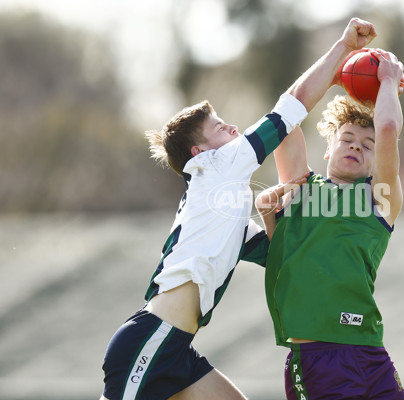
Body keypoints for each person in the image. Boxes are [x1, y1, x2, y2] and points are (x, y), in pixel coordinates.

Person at [99, 17, 379, 400]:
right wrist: (342, 51)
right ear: (200, 152)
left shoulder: (221, 203)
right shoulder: (217, 166)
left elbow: (279, 254)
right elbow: (290, 107)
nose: (232, 129)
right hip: (152, 339)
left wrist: (276, 214)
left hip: (177, 349)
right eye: (219, 127)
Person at [257, 47, 404, 399]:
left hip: (371, 352)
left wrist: (387, 81)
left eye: (368, 146)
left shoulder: (379, 201)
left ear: (377, 160)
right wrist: (336, 70)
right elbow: (284, 113)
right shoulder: (300, 188)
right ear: (328, 148)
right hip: (316, 358)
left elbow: (386, 127)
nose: (357, 147)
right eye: (347, 139)